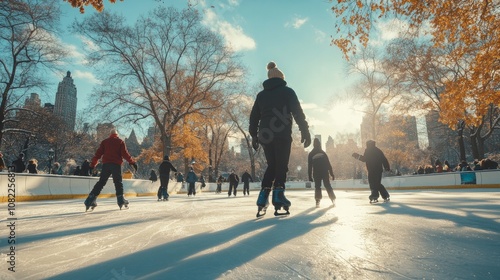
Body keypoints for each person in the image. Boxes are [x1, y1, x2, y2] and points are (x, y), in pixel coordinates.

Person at [249, 61, 311, 217]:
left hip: (265, 136)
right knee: (281, 165)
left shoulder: (261, 95)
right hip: (282, 134)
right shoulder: (287, 92)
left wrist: (254, 136)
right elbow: (298, 112)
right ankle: (278, 196)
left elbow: (254, 117)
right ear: (281, 78)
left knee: (272, 165)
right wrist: (305, 131)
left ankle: (263, 198)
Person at [84, 128, 137, 211]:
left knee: (101, 182)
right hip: (116, 165)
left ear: (110, 134)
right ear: (117, 135)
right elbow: (125, 154)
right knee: (118, 182)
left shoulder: (105, 142)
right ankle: (120, 199)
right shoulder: (120, 142)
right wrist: (132, 162)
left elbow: (97, 155)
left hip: (106, 165)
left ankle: (90, 199)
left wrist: (92, 165)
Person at [308, 138, 336, 207]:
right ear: (319, 144)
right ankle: (333, 199)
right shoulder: (323, 153)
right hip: (324, 172)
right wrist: (331, 173)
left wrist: (310, 176)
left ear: (313, 144)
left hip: (316, 173)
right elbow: (328, 164)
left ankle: (317, 201)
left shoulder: (311, 154)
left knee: (317, 186)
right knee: (327, 185)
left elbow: (310, 166)